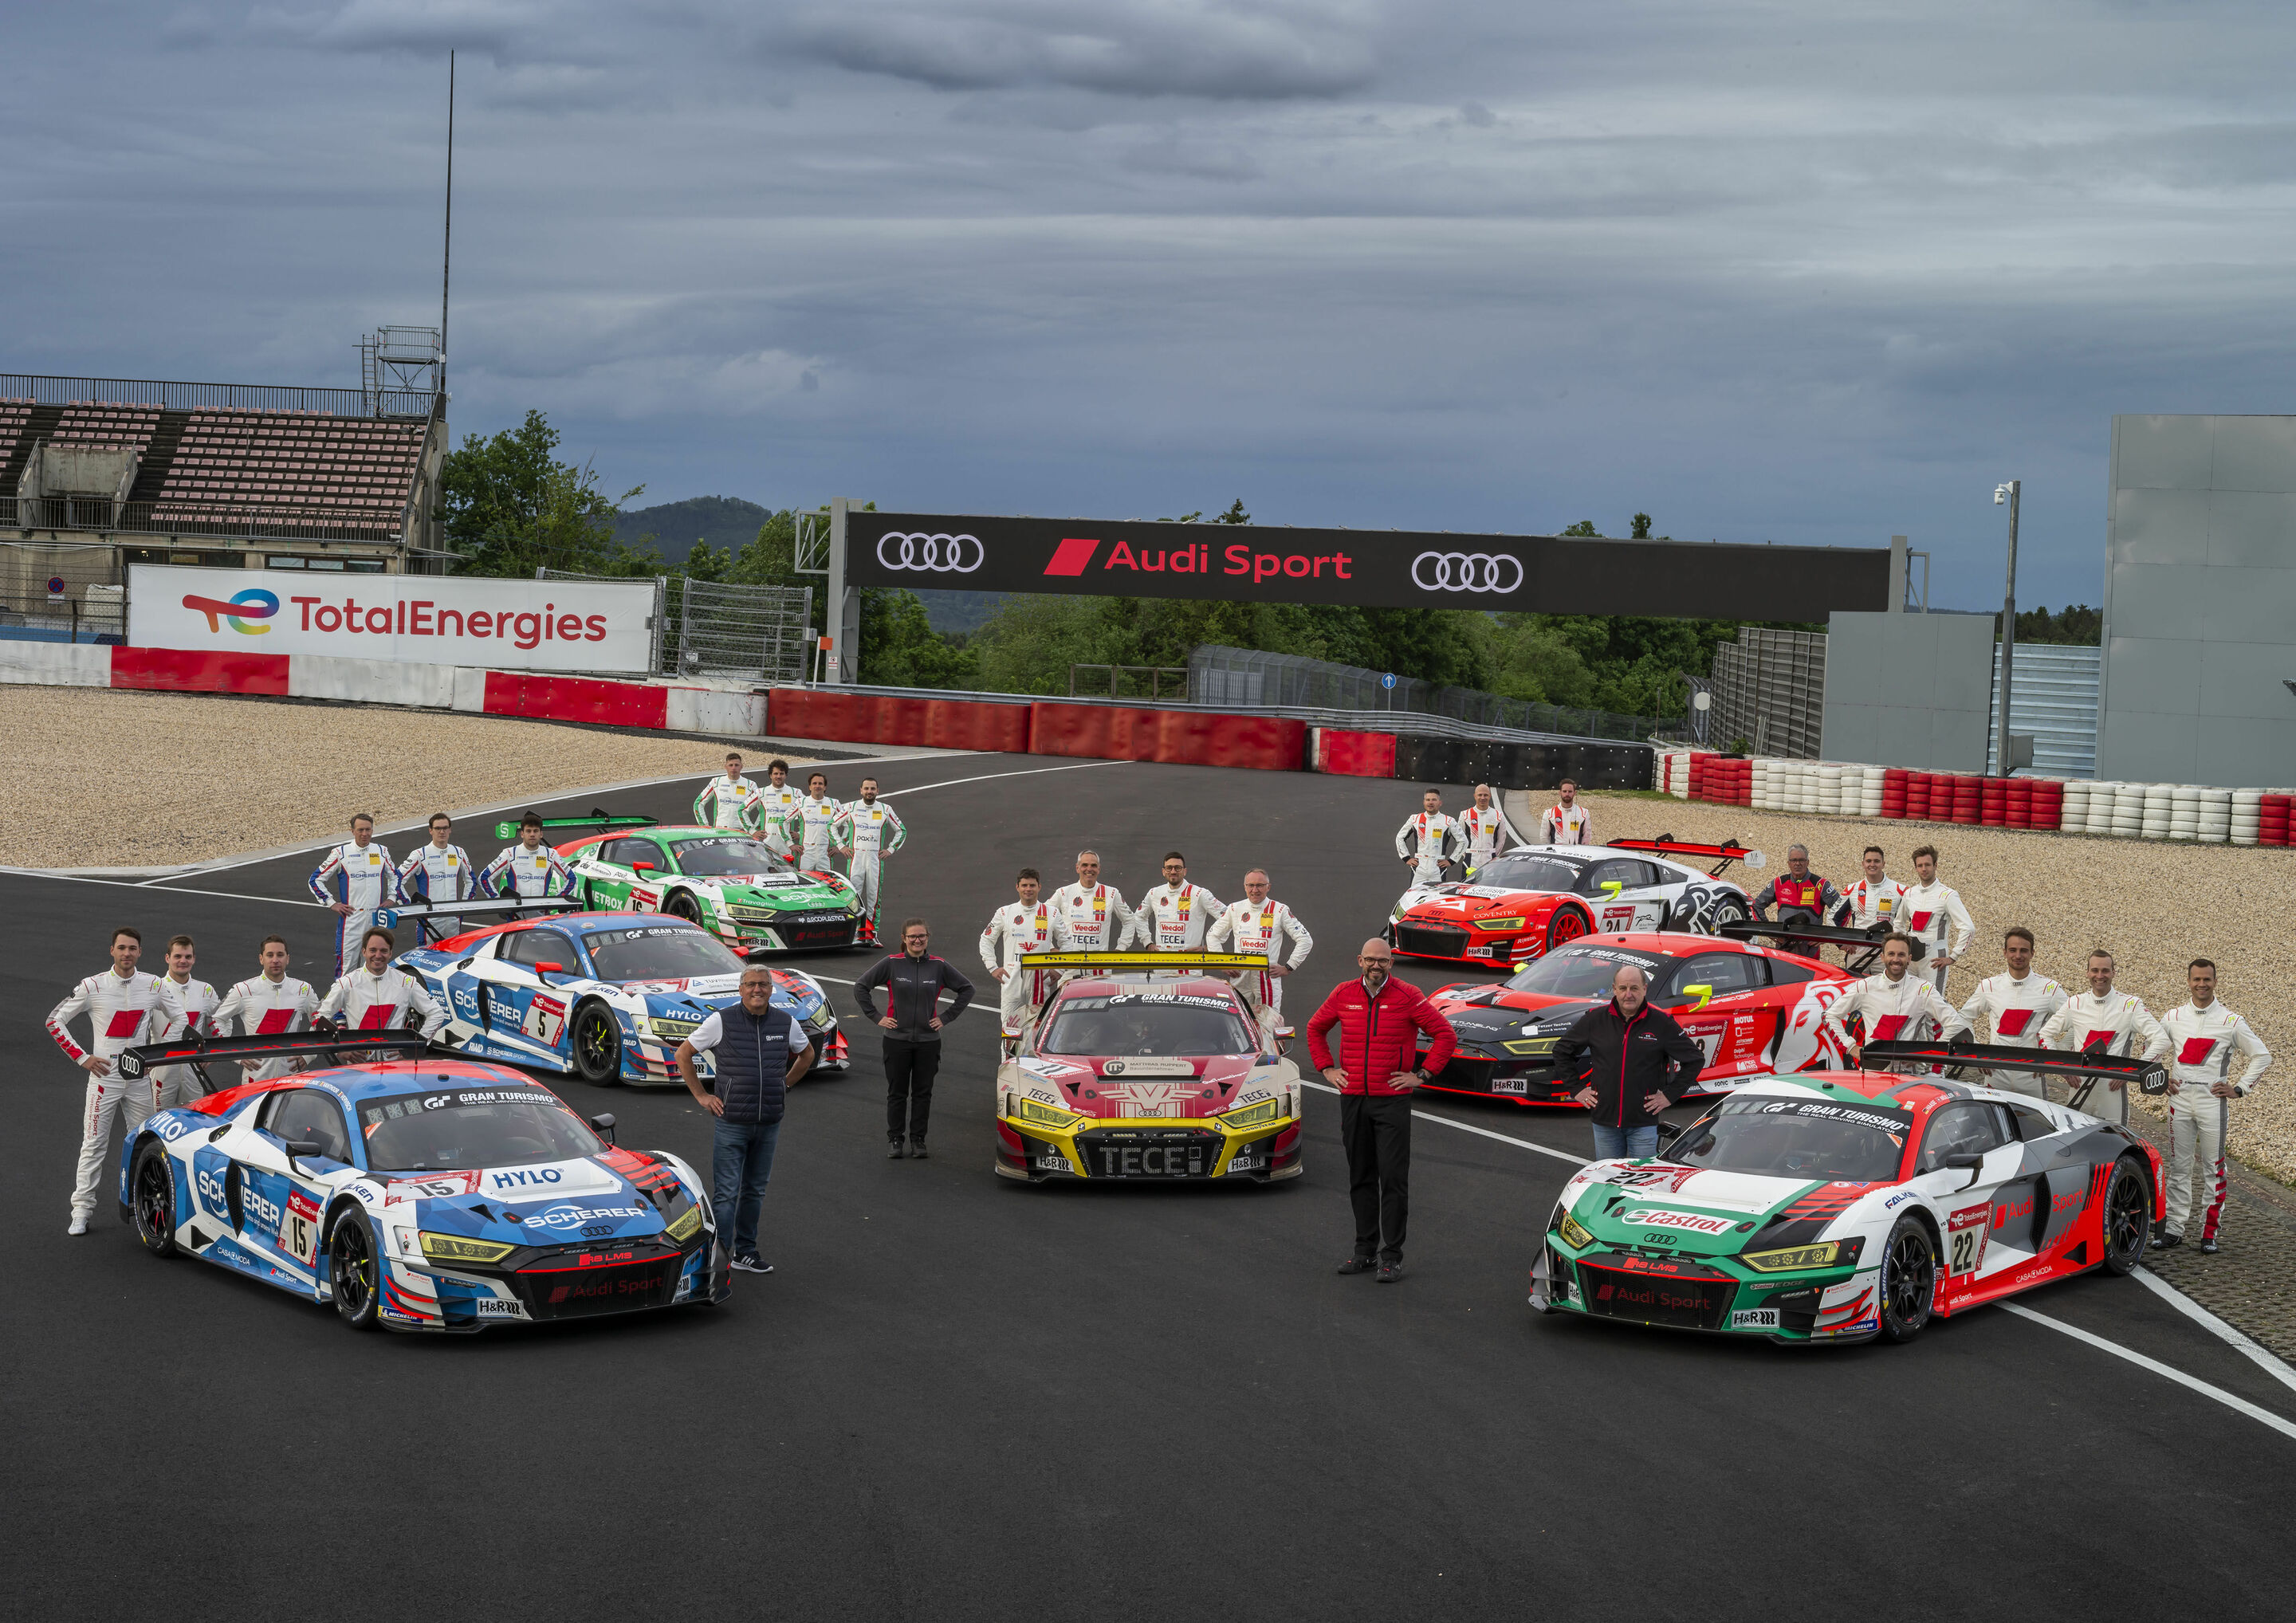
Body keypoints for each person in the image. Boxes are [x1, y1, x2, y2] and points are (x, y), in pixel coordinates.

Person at [1305, 938, 1457, 1283]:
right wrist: (1327, 1068)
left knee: (1392, 1179)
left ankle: (1392, 1256)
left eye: (1383, 962)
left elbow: (1444, 1035)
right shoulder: (1344, 993)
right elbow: (1315, 1028)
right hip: (1353, 1098)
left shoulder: (1408, 995)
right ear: (1359, 960)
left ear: (1392, 964)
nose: (1376, 967)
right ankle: (1364, 1252)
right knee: (1360, 1177)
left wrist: (1422, 1075)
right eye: (1370, 961)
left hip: (1392, 1102)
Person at [675, 963, 814, 1275]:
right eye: (751, 984)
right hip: (732, 1123)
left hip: (769, 1122)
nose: (757, 990)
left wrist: (785, 1085)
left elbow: (807, 1056)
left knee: (755, 1191)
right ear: (740, 989)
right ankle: (721, 1254)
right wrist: (702, 1096)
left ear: (771, 989)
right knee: (727, 1193)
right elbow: (683, 1054)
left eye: (763, 984)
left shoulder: (785, 1022)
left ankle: (746, 1252)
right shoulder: (720, 1021)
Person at [45, 925, 166, 1236]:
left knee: (147, 1144)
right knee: (94, 1144)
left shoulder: (153, 984)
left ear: (140, 952)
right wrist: (82, 1057)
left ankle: (147, 1208)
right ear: (112, 950)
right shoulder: (92, 985)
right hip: (104, 1080)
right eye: (122, 948)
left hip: (139, 1079)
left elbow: (178, 1019)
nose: (127, 953)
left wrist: (157, 1055)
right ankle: (82, 1210)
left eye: (133, 948)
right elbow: (54, 1020)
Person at [2156, 959, 2271, 1253]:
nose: (2201, 984)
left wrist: (2239, 1089)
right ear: (2188, 981)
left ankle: (2209, 1234)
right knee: (2179, 1167)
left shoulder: (2231, 1021)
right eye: (2196, 979)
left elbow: (2262, 1056)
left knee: (2213, 1168)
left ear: (2215, 981)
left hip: (2212, 1103)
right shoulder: (2172, 1017)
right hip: (2179, 1101)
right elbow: (2152, 1049)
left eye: (2207, 979)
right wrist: (2160, 1079)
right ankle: (2174, 1230)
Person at [1555, 963, 1706, 1161]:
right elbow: (1561, 1051)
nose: (1629, 994)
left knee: (1641, 1182)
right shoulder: (1595, 1020)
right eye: (1623, 988)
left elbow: (1695, 1059)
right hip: (1604, 1123)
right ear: (1614, 989)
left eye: (1634, 988)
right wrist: (1576, 1088)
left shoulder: (1661, 1023)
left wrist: (1670, 1096)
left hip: (1643, 1124)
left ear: (1644, 989)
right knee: (1608, 1180)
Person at [853, 918, 976, 1159]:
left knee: (923, 1093)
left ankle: (918, 1140)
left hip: (928, 1042)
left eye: (922, 936)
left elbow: (967, 989)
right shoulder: (891, 963)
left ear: (927, 938)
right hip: (896, 1040)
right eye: (912, 937)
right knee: (897, 1093)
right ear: (904, 939)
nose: (917, 940)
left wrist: (946, 1017)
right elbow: (861, 986)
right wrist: (876, 1017)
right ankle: (895, 1140)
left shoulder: (939, 966)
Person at [2038, 949, 2169, 1125]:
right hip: (2078, 1088)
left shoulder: (2130, 1005)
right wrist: (2062, 1069)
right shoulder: (2075, 1003)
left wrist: (2132, 1072)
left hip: (2112, 1092)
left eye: (2105, 970)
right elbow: (2045, 1034)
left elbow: (2162, 1040)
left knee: (2115, 1144)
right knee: (2077, 1144)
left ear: (2114, 972)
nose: (2100, 976)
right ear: (2087, 972)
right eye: (2095, 970)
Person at [1820, 933, 1972, 1065]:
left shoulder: (1923, 989)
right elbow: (1829, 1016)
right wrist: (1851, 1047)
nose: (1896, 959)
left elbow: (1956, 1025)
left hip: (1909, 1076)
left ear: (1909, 959)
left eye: (1901, 955)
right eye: (1891, 954)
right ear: (1882, 957)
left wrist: (1928, 1055)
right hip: (1873, 1071)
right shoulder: (1866, 986)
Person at [1956, 928, 2068, 1097]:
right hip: (1995, 1075)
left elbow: (2077, 1022)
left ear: (2032, 953)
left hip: (2032, 1077)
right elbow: (1962, 1018)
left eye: (2024, 950)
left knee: (2032, 1124)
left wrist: (2051, 1055)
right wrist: (1977, 1052)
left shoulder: (2050, 989)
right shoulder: (1989, 986)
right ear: (2004, 953)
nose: (2018, 955)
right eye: (2013, 950)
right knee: (1993, 1123)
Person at [1205, 869, 1315, 1035]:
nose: (1255, 890)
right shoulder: (1235, 909)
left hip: (1267, 980)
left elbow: (1306, 940)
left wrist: (1288, 967)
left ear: (1268, 887)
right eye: (1251, 885)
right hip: (1240, 978)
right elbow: (1213, 935)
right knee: (1237, 1028)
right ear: (1244, 886)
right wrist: (1222, 963)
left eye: (1259, 885)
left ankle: (1271, 1060)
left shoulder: (1280, 910)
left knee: (1269, 1029)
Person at [981, 870, 1073, 1055]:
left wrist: (1061, 970)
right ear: (1017, 887)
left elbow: (1068, 943)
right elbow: (986, 939)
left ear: (1039, 887)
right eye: (1024, 885)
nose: (1028, 889)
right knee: (1010, 1029)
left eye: (1032, 885)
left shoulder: (1051, 913)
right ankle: (1008, 1069)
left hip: (1041, 981)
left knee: (1040, 1030)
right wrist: (992, 966)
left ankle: (1033, 1073)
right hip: (1012, 981)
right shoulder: (1005, 912)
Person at [210, 937, 322, 1086]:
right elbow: (215, 1019)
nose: (275, 960)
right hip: (254, 1079)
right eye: (270, 955)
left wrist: (308, 1055)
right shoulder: (244, 989)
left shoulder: (303, 989)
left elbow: (322, 1020)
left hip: (291, 1077)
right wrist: (236, 1055)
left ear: (288, 959)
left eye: (280, 955)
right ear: (261, 959)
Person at [315, 929, 449, 1051]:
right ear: (364, 952)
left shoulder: (406, 982)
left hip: (395, 1066)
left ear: (390, 953)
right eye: (373, 950)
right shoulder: (347, 983)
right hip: (359, 1066)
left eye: (383, 951)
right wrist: (340, 1050)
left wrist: (415, 1046)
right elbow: (319, 1018)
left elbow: (437, 1013)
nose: (378, 956)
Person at [306, 812, 398, 979]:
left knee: (375, 967)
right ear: (352, 831)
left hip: (375, 919)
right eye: (361, 830)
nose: (365, 834)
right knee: (346, 969)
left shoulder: (381, 851)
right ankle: (340, 1005)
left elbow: (395, 876)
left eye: (368, 830)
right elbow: (315, 880)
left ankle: (369, 1003)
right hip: (351, 919)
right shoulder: (340, 853)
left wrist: (392, 897)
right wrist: (331, 903)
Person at [148, 935, 222, 1110]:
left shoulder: (205, 990)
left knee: (194, 1122)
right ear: (168, 958)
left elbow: (222, 1019)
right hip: (162, 1068)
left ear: (194, 959)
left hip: (194, 1069)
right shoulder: (154, 988)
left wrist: (215, 1052)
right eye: (178, 956)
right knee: (157, 1121)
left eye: (188, 957)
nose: (183, 961)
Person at [832, 777, 906, 945]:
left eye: (872, 788)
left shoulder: (886, 809)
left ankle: (871, 934)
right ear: (861, 790)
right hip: (855, 857)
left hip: (875, 859)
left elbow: (902, 831)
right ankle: (853, 933)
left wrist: (891, 849)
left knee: (874, 897)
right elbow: (832, 826)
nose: (869, 791)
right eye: (866, 788)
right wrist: (841, 846)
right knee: (853, 896)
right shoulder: (851, 807)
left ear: (877, 791)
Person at [1901, 845, 1975, 993]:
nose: (1924, 869)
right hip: (1910, 958)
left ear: (1935, 866)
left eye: (1927, 865)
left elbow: (1968, 927)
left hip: (1934, 959)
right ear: (1915, 868)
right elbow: (1899, 923)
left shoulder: (1948, 895)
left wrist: (1954, 956)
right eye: (1920, 865)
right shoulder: (1909, 894)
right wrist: (1899, 949)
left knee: (1933, 1003)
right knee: (1908, 1001)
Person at [1750, 845, 1843, 960]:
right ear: (1788, 863)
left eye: (1801, 860)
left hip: (1809, 950)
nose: (1797, 863)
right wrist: (1770, 932)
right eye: (1794, 860)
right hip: (1783, 947)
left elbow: (1842, 910)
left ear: (1808, 862)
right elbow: (1756, 906)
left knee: (1811, 978)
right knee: (1782, 977)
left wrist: (1826, 936)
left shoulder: (1821, 884)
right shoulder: (1778, 883)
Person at [397, 812, 478, 942]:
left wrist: (464, 906)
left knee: (452, 958)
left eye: (445, 828)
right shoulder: (419, 854)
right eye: (437, 828)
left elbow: (471, 882)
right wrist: (408, 907)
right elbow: (396, 879)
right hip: (429, 919)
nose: (442, 832)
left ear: (450, 830)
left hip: (453, 919)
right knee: (425, 958)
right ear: (430, 831)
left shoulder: (459, 853)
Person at [1049, 850, 1140, 953]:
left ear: (1099, 869)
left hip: (1100, 965)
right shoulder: (1063, 893)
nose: (1089, 869)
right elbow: (1042, 916)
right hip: (1070, 964)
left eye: (1093, 865)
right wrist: (1050, 947)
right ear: (1077, 868)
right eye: (1085, 865)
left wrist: (1121, 948)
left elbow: (1130, 919)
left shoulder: (1111, 893)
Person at [1138, 852, 1225, 953]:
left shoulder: (1199, 893)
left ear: (1185, 871)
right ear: (1163, 871)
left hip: (1189, 964)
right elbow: (1139, 916)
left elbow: (1226, 917)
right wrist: (1147, 943)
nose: (1173, 871)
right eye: (1169, 868)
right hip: (1162, 963)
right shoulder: (1154, 893)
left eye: (1178, 868)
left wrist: (1210, 947)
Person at [483, 812, 574, 901]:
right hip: (516, 914)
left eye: (535, 831)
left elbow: (572, 878)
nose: (532, 834)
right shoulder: (509, 854)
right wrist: (498, 901)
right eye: (528, 831)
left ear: (541, 834)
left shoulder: (551, 854)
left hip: (541, 914)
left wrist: (556, 901)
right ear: (522, 834)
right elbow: (484, 877)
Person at [1394, 792, 1461, 886]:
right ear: (1424, 802)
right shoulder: (1415, 819)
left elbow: (1463, 841)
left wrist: (1451, 861)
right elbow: (1400, 837)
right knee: (1414, 897)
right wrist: (1406, 858)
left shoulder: (1449, 821)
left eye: (1434, 800)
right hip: (1419, 867)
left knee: (1436, 898)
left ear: (1440, 803)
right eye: (1428, 800)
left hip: (1438, 868)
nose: (1430, 802)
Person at [1835, 845, 1909, 933]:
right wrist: (1842, 944)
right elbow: (1834, 918)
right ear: (1863, 864)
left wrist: (1906, 942)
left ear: (1883, 864)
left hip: (1889, 946)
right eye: (1868, 861)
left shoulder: (1901, 890)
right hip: (1860, 946)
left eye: (1877, 861)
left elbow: (1917, 919)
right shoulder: (1851, 889)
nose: (1872, 865)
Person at [693, 751, 766, 833]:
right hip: (719, 831)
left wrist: (753, 829)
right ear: (726, 767)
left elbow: (764, 809)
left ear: (741, 766)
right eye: (731, 765)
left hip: (741, 833)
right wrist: (704, 826)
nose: (733, 768)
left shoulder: (751, 785)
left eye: (736, 765)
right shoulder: (716, 782)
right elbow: (698, 803)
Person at [780, 772, 839, 874]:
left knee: (827, 884)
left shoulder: (834, 803)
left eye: (820, 784)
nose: (817, 786)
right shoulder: (801, 803)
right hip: (805, 854)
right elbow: (783, 821)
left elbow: (849, 824)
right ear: (810, 787)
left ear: (825, 787)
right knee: (804, 883)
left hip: (825, 854)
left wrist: (840, 846)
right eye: (814, 783)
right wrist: (790, 843)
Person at [1457, 784, 1522, 874]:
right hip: (1471, 859)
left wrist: (1493, 854)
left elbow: (1501, 839)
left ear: (1490, 796)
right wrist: (1467, 854)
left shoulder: (1498, 815)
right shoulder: (1464, 815)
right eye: (1480, 795)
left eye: (1485, 795)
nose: (1483, 798)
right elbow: (1460, 839)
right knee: (1468, 886)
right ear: (1475, 796)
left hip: (1490, 858)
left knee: (1488, 886)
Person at [756, 760, 803, 863]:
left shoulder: (796, 793)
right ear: (770, 775)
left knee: (788, 875)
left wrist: (800, 833)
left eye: (781, 774)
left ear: (786, 775)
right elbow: (742, 810)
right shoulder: (761, 792)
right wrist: (753, 831)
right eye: (775, 773)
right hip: (767, 842)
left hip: (787, 845)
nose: (778, 776)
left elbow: (807, 815)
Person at [1539, 779, 1594, 847]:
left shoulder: (1584, 813)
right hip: (1557, 853)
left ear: (1575, 793)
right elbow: (1544, 838)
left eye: (1570, 791)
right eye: (1564, 791)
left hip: (1576, 853)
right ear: (1560, 792)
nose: (1567, 794)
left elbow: (1587, 837)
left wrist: (1582, 850)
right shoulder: (1549, 814)